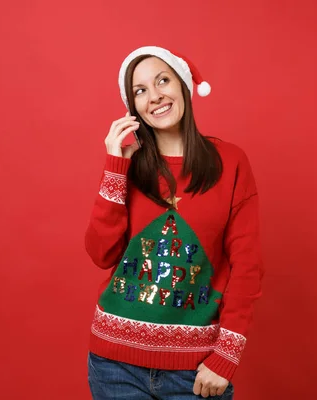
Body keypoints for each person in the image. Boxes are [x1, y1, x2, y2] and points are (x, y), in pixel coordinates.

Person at [84, 46, 263, 399]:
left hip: (194, 372)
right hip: (114, 365)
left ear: (183, 86)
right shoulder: (127, 165)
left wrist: (226, 357)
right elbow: (101, 254)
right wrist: (114, 168)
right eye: (141, 90)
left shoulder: (231, 162)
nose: (155, 96)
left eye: (163, 80)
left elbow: (247, 267)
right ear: (133, 107)